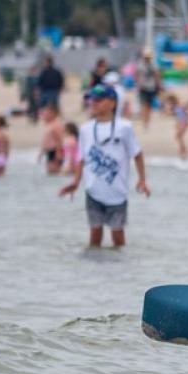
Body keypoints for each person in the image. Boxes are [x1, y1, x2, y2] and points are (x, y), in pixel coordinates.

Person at [59, 84, 149, 248]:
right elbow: (81, 158)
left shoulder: (124, 127)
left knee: (118, 236)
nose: (94, 103)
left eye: (99, 100)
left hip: (117, 191)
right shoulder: (85, 129)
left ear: (112, 103)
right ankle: (96, 264)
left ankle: (119, 263)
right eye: (92, 100)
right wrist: (76, 182)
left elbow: (137, 153)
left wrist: (142, 179)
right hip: (93, 191)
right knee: (94, 236)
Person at [136, 50, 163, 128]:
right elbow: (137, 74)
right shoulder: (140, 65)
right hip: (143, 87)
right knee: (144, 105)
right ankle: (145, 122)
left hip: (151, 87)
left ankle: (147, 121)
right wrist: (138, 84)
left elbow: (157, 76)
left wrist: (159, 86)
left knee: (149, 106)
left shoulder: (154, 65)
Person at [39, 103, 67, 174]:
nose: (44, 115)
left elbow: (59, 140)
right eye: (44, 113)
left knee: (54, 172)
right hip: (49, 151)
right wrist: (41, 153)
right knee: (50, 173)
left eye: (47, 114)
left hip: (55, 151)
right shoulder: (49, 124)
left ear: (53, 113)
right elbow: (46, 141)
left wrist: (59, 153)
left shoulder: (56, 125)